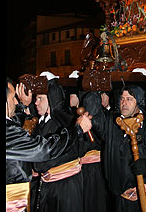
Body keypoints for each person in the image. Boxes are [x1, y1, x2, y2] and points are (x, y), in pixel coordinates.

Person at [6, 78, 92, 212]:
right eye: (13, 98)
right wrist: (78, 130)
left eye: (41, 98)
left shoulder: (60, 122)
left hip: (64, 188)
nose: (16, 102)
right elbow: (43, 149)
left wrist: (22, 107)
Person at [82, 84, 146, 212]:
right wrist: (95, 88)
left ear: (139, 101)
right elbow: (93, 113)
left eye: (129, 99)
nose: (124, 103)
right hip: (123, 200)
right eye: (122, 99)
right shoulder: (112, 124)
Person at [28, 72, 85, 212]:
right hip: (49, 186)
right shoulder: (40, 124)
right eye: (36, 99)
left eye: (40, 98)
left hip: (65, 189)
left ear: (51, 101)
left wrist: (52, 84)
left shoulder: (63, 123)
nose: (36, 103)